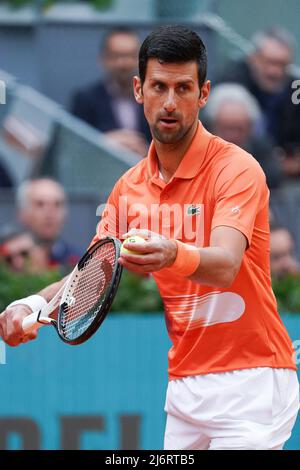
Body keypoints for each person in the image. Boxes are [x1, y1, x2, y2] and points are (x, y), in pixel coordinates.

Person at [0, 25, 299, 450]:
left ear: (204, 93)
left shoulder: (238, 169)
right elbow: (89, 276)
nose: (171, 103)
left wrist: (171, 252)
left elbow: (226, 263)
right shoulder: (129, 188)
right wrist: (29, 304)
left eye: (184, 88)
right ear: (139, 90)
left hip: (252, 380)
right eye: (160, 87)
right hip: (185, 386)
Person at [218, 27, 300, 178]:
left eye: (282, 65)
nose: (274, 72)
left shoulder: (295, 89)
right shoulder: (231, 84)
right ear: (253, 58)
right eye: (269, 62)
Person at [70, 27, 151, 156]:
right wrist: (103, 143)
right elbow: (72, 148)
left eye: (131, 55)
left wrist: (147, 153)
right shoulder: (85, 99)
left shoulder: (154, 98)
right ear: (103, 59)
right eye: (116, 56)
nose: (124, 63)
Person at [204, 83, 283, 189]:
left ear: (250, 128)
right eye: (226, 128)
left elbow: (273, 178)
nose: (232, 136)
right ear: (212, 127)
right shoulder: (197, 148)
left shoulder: (261, 147)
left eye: (239, 129)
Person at [16, 178, 79, 271]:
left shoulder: (77, 261)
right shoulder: (9, 258)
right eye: (40, 204)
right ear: (23, 214)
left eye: (57, 204)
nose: (50, 212)